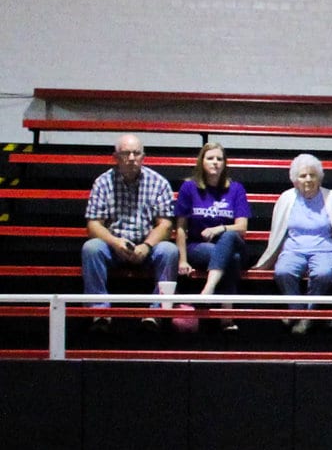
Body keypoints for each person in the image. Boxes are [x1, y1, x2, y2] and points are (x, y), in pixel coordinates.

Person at [251, 154, 332, 333]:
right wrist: (269, 260)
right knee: (283, 271)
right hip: (293, 250)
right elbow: (278, 233)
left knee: (323, 273)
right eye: (303, 175)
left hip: (325, 250)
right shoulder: (286, 198)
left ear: (319, 178)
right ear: (295, 180)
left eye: (312, 175)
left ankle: (310, 314)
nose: (308, 179)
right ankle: (296, 309)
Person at [79, 134, 178, 324]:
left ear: (144, 156)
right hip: (114, 246)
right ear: (115, 157)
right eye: (126, 153)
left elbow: (165, 224)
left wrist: (147, 245)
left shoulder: (159, 183)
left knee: (169, 251)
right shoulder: (102, 183)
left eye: (136, 153)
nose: (132, 158)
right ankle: (99, 312)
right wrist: (116, 243)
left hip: (147, 247)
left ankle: (156, 313)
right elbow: (93, 225)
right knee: (91, 248)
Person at [170, 140, 250, 330]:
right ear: (202, 162)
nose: (215, 162)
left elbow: (242, 227)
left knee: (229, 239)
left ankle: (208, 289)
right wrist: (182, 260)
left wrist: (219, 229)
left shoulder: (236, 188)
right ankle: (226, 317)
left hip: (231, 240)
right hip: (198, 247)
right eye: (210, 158)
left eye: (219, 159)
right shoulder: (189, 188)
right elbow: (181, 227)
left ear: (225, 163)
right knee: (233, 257)